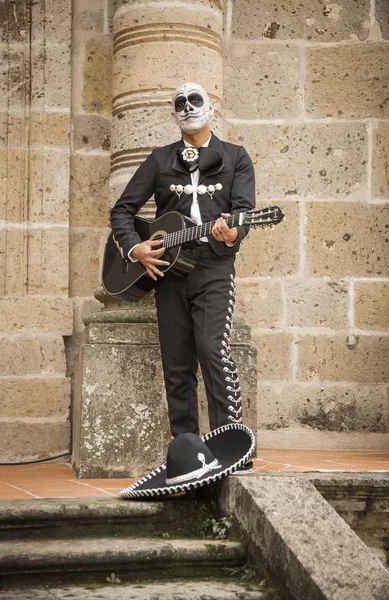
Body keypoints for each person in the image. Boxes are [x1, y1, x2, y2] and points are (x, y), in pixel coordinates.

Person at [110, 82, 255, 439]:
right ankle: (186, 449)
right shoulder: (160, 158)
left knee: (212, 350)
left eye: (195, 100)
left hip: (214, 268)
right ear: (173, 113)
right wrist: (135, 249)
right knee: (176, 364)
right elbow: (123, 211)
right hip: (168, 272)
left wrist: (233, 233)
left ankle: (229, 443)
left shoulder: (236, 157)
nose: (188, 107)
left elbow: (244, 213)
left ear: (210, 108)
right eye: (180, 103)